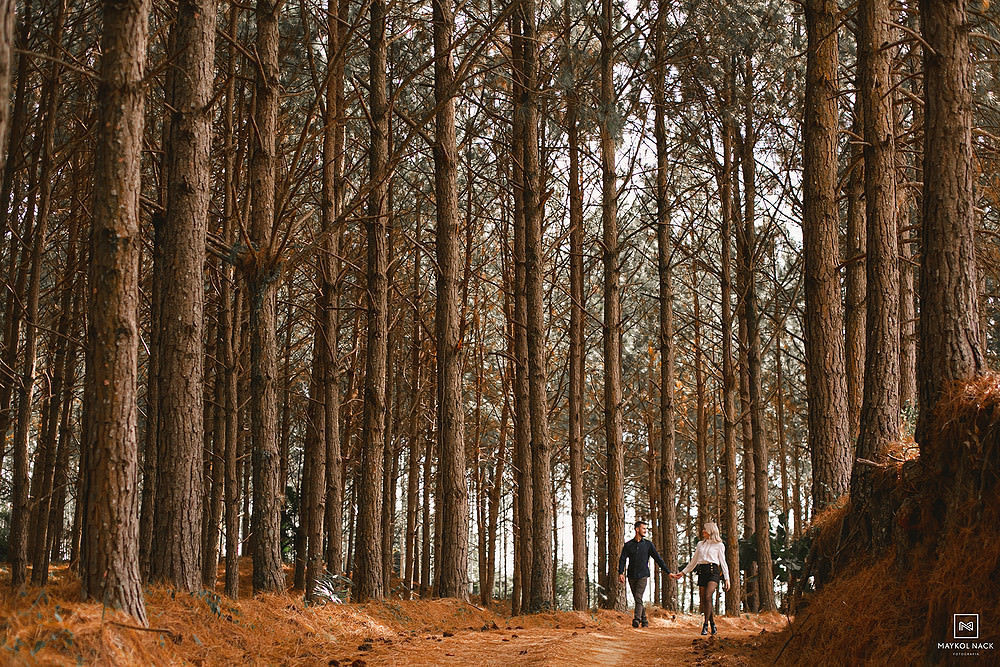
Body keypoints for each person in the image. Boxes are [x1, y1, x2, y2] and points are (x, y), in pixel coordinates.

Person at [671, 521, 730, 636]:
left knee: (708, 596)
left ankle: (705, 625)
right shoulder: (700, 544)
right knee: (704, 600)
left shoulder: (719, 545)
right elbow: (693, 561)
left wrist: (727, 578)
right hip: (702, 571)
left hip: (713, 572)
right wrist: (682, 573)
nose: (703, 531)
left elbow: (723, 562)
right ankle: (713, 624)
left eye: (705, 529)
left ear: (711, 531)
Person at [617, 520, 672, 628]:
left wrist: (668, 572)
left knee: (638, 596)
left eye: (646, 529)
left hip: (643, 575)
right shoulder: (628, 545)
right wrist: (621, 573)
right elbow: (622, 559)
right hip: (631, 575)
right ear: (637, 529)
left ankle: (636, 620)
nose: (645, 530)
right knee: (638, 599)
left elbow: (658, 559)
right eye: (643, 528)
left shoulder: (648, 545)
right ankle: (645, 620)